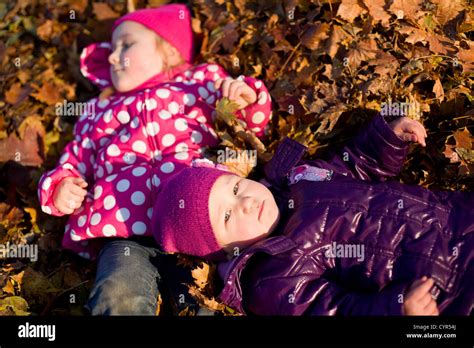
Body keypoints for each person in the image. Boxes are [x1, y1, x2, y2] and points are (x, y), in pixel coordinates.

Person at [37, 4, 272, 315]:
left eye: (126, 44)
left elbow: (246, 126)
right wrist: (60, 186)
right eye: (111, 47)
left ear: (169, 50)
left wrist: (246, 100)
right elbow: (75, 157)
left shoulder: (200, 83)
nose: (111, 55)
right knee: (118, 293)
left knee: (201, 300)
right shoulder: (98, 111)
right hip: (123, 228)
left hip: (201, 225)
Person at [152, 113, 474, 315]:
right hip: (445, 283)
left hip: (457, 214)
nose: (246, 201)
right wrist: (395, 307)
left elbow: (354, 164)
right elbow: (335, 309)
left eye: (235, 188)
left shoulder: (301, 178)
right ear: (224, 252)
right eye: (226, 216)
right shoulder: (271, 278)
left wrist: (387, 140)